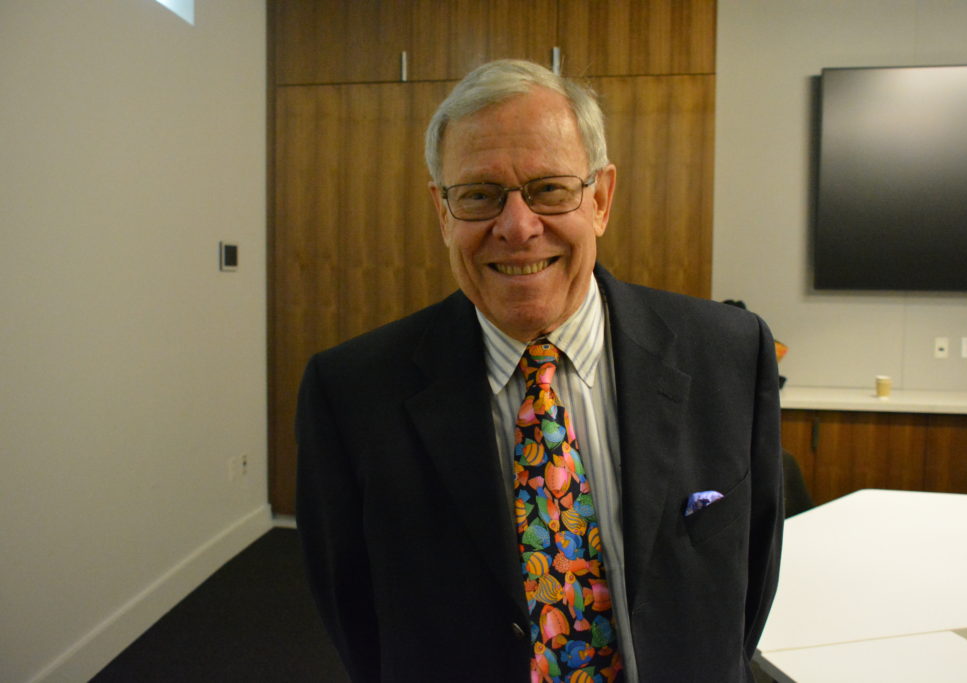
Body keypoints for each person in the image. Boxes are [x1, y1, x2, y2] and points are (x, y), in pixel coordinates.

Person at [296, 59, 783, 683]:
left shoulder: (729, 355)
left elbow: (751, 578)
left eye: (551, 189)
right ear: (443, 213)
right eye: (478, 195)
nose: (518, 227)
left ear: (601, 199)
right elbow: (355, 618)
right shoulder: (350, 393)